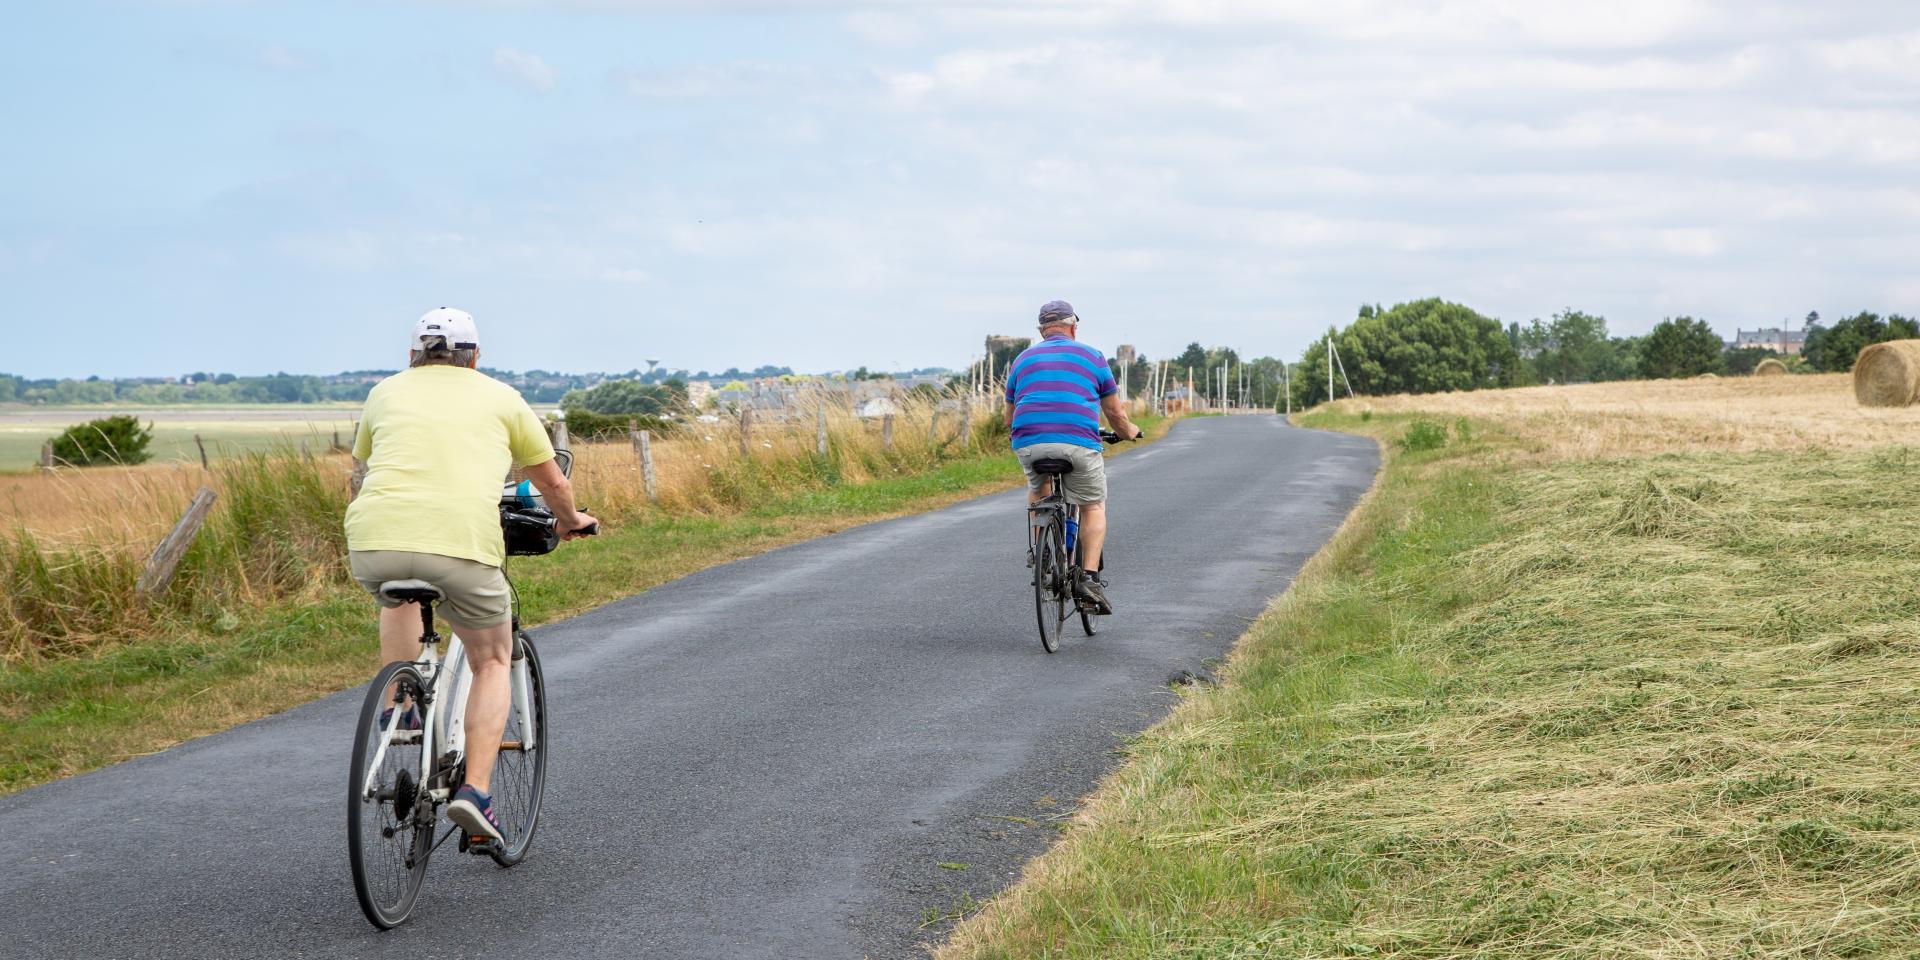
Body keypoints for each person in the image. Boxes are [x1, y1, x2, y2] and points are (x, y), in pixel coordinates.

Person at [345, 307, 598, 844]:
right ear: (475, 357)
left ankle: (401, 708)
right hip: (459, 542)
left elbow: (367, 462)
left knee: (400, 599)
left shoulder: (385, 392)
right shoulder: (501, 398)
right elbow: (550, 480)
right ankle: (476, 793)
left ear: (412, 355)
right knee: (492, 659)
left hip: (372, 540)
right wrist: (571, 521)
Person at [1003, 299, 1142, 614]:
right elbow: (1115, 413)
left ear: (1042, 331)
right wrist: (1128, 431)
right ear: (1073, 327)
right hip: (1078, 443)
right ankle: (1088, 578)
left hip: (1029, 441)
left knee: (1039, 491)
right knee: (1092, 505)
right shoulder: (1093, 357)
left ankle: (1041, 553)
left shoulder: (1022, 360)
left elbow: (1008, 417)